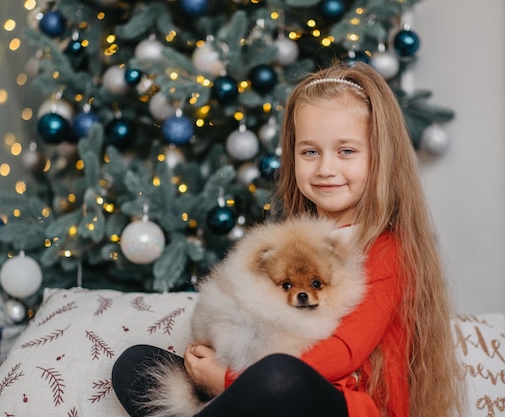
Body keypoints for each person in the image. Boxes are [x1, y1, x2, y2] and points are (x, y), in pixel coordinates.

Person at [112, 61, 465, 417]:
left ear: (380, 157)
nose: (326, 168)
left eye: (346, 151)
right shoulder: (289, 243)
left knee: (279, 375)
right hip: (262, 391)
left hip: (345, 405)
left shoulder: (389, 250)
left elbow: (343, 354)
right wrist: (212, 353)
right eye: (310, 152)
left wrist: (229, 380)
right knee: (139, 365)